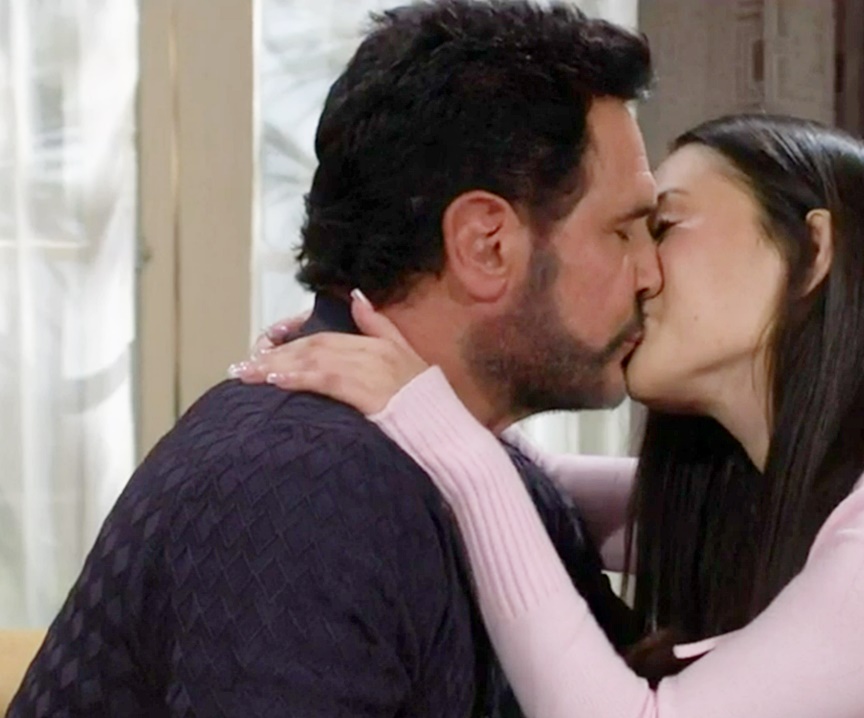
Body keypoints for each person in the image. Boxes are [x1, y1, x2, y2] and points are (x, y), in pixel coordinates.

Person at [243, 116, 864, 717]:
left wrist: (433, 422)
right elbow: (544, 494)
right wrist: (402, 388)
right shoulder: (803, 492)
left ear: (812, 250)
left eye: (665, 226)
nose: (640, 270)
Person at [9, 2, 658, 716]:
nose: (653, 274)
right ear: (485, 245)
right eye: (625, 231)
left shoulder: (489, 479)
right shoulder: (299, 489)